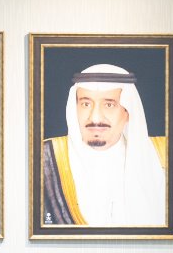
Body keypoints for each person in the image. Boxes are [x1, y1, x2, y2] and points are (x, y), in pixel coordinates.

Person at [42, 64, 166, 226]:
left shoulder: (162, 156)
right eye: (86, 104)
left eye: (109, 105)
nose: (95, 117)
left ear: (128, 112)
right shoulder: (44, 158)